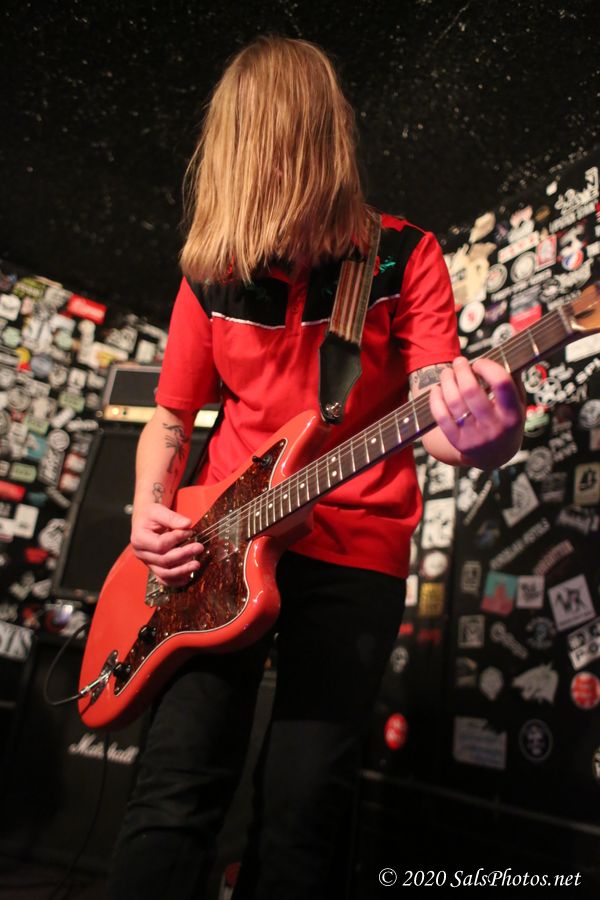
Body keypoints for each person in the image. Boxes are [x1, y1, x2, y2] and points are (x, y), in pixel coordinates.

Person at [106, 35, 524, 900]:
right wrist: (148, 510)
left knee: (304, 810)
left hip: (355, 553)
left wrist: (487, 437)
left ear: (312, 148)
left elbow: (439, 416)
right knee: (174, 794)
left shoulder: (404, 256)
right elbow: (171, 418)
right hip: (216, 547)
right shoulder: (211, 272)